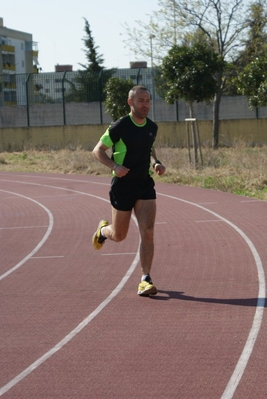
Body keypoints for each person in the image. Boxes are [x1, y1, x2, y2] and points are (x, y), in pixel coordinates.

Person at [92, 85, 166, 296]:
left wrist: (156, 163)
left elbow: (149, 147)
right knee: (119, 235)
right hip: (123, 186)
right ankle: (103, 231)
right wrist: (114, 167)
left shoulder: (152, 126)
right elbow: (97, 151)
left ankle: (145, 278)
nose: (146, 104)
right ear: (130, 102)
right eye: (141, 100)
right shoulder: (120, 126)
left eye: (148, 100)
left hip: (144, 185)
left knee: (148, 232)